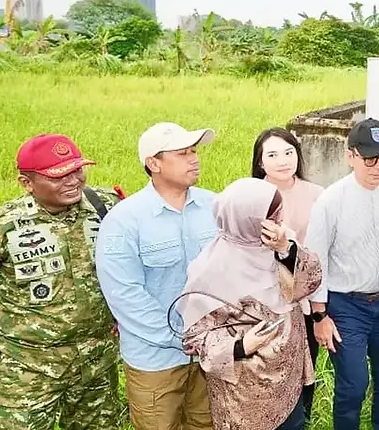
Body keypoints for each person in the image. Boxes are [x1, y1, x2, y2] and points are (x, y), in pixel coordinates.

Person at [95, 122, 218, 430]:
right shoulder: (124, 220)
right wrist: (180, 338)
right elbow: (125, 295)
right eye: (182, 153)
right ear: (154, 163)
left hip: (210, 356)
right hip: (155, 361)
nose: (194, 159)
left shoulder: (215, 206)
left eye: (194, 151)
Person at [0, 134, 125, 430]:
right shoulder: (7, 225)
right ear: (27, 183)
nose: (73, 181)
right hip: (27, 368)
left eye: (77, 170)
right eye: (59, 176)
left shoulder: (108, 206)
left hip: (97, 360)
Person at [179, 178, 323, 430]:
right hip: (244, 394)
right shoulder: (212, 271)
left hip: (288, 380)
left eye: (279, 213)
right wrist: (240, 347)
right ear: (246, 222)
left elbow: (310, 281)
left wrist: (286, 249)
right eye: (272, 217)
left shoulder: (279, 244)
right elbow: (196, 338)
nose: (279, 222)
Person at [305, 117, 379, 430]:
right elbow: (315, 261)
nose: (378, 168)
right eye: (370, 160)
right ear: (350, 156)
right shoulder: (330, 200)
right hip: (345, 305)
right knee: (354, 382)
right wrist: (319, 316)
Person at [251, 126, 325, 424]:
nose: (282, 160)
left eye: (288, 152)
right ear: (260, 162)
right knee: (268, 375)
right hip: (264, 302)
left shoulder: (318, 195)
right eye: (272, 155)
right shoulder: (249, 196)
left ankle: (301, 419)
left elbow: (322, 251)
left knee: (305, 370)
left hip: (305, 296)